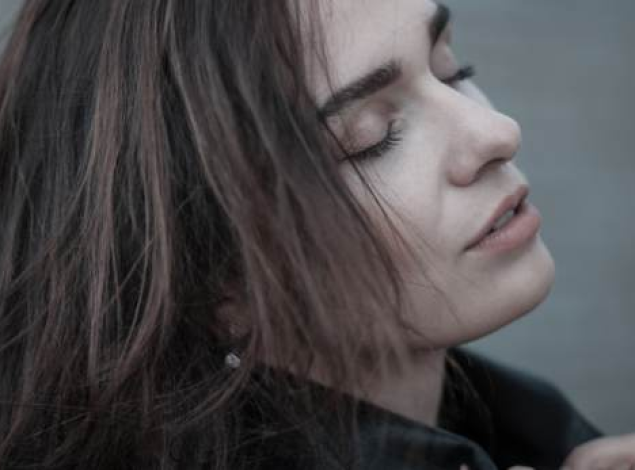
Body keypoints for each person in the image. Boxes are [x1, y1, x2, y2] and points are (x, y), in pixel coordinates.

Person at [0, 0, 633, 468]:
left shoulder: (548, 439)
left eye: (449, 68)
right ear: (218, 280)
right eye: (371, 138)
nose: (497, 132)